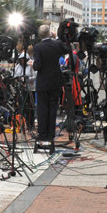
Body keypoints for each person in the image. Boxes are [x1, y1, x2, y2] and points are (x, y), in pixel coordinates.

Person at [32, 24, 68, 152]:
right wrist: (56, 38)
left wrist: (33, 65)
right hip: (55, 81)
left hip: (43, 83)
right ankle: (51, 135)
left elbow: (38, 66)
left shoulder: (37, 47)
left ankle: (42, 135)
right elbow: (66, 49)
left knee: (42, 109)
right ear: (49, 33)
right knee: (53, 109)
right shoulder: (56, 44)